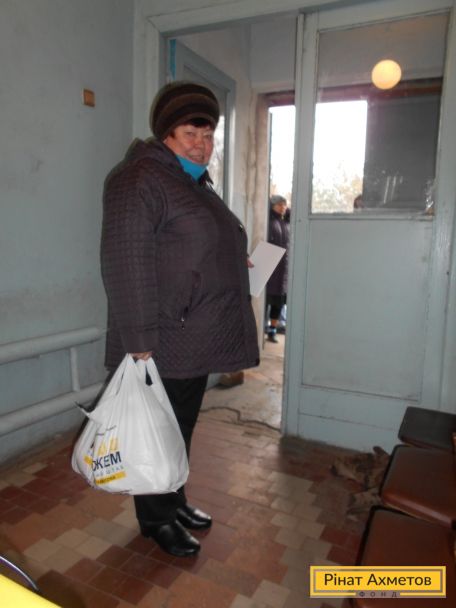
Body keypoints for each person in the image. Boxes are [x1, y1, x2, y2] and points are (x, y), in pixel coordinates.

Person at [100, 81, 259, 557]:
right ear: (165, 133)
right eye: (191, 133)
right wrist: (138, 341)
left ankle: (175, 499)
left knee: (180, 427)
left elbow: (191, 246)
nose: (202, 145)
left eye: (209, 136)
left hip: (192, 334)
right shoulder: (139, 180)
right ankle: (155, 520)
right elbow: (125, 262)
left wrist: (232, 259)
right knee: (156, 433)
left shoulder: (193, 183)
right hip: (162, 336)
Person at [265, 195, 290, 343]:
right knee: (266, 299)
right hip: (270, 266)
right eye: (279, 205)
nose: (283, 207)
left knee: (279, 301)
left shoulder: (286, 222)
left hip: (283, 269)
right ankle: (262, 327)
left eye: (284, 205)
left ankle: (272, 331)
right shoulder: (267, 220)